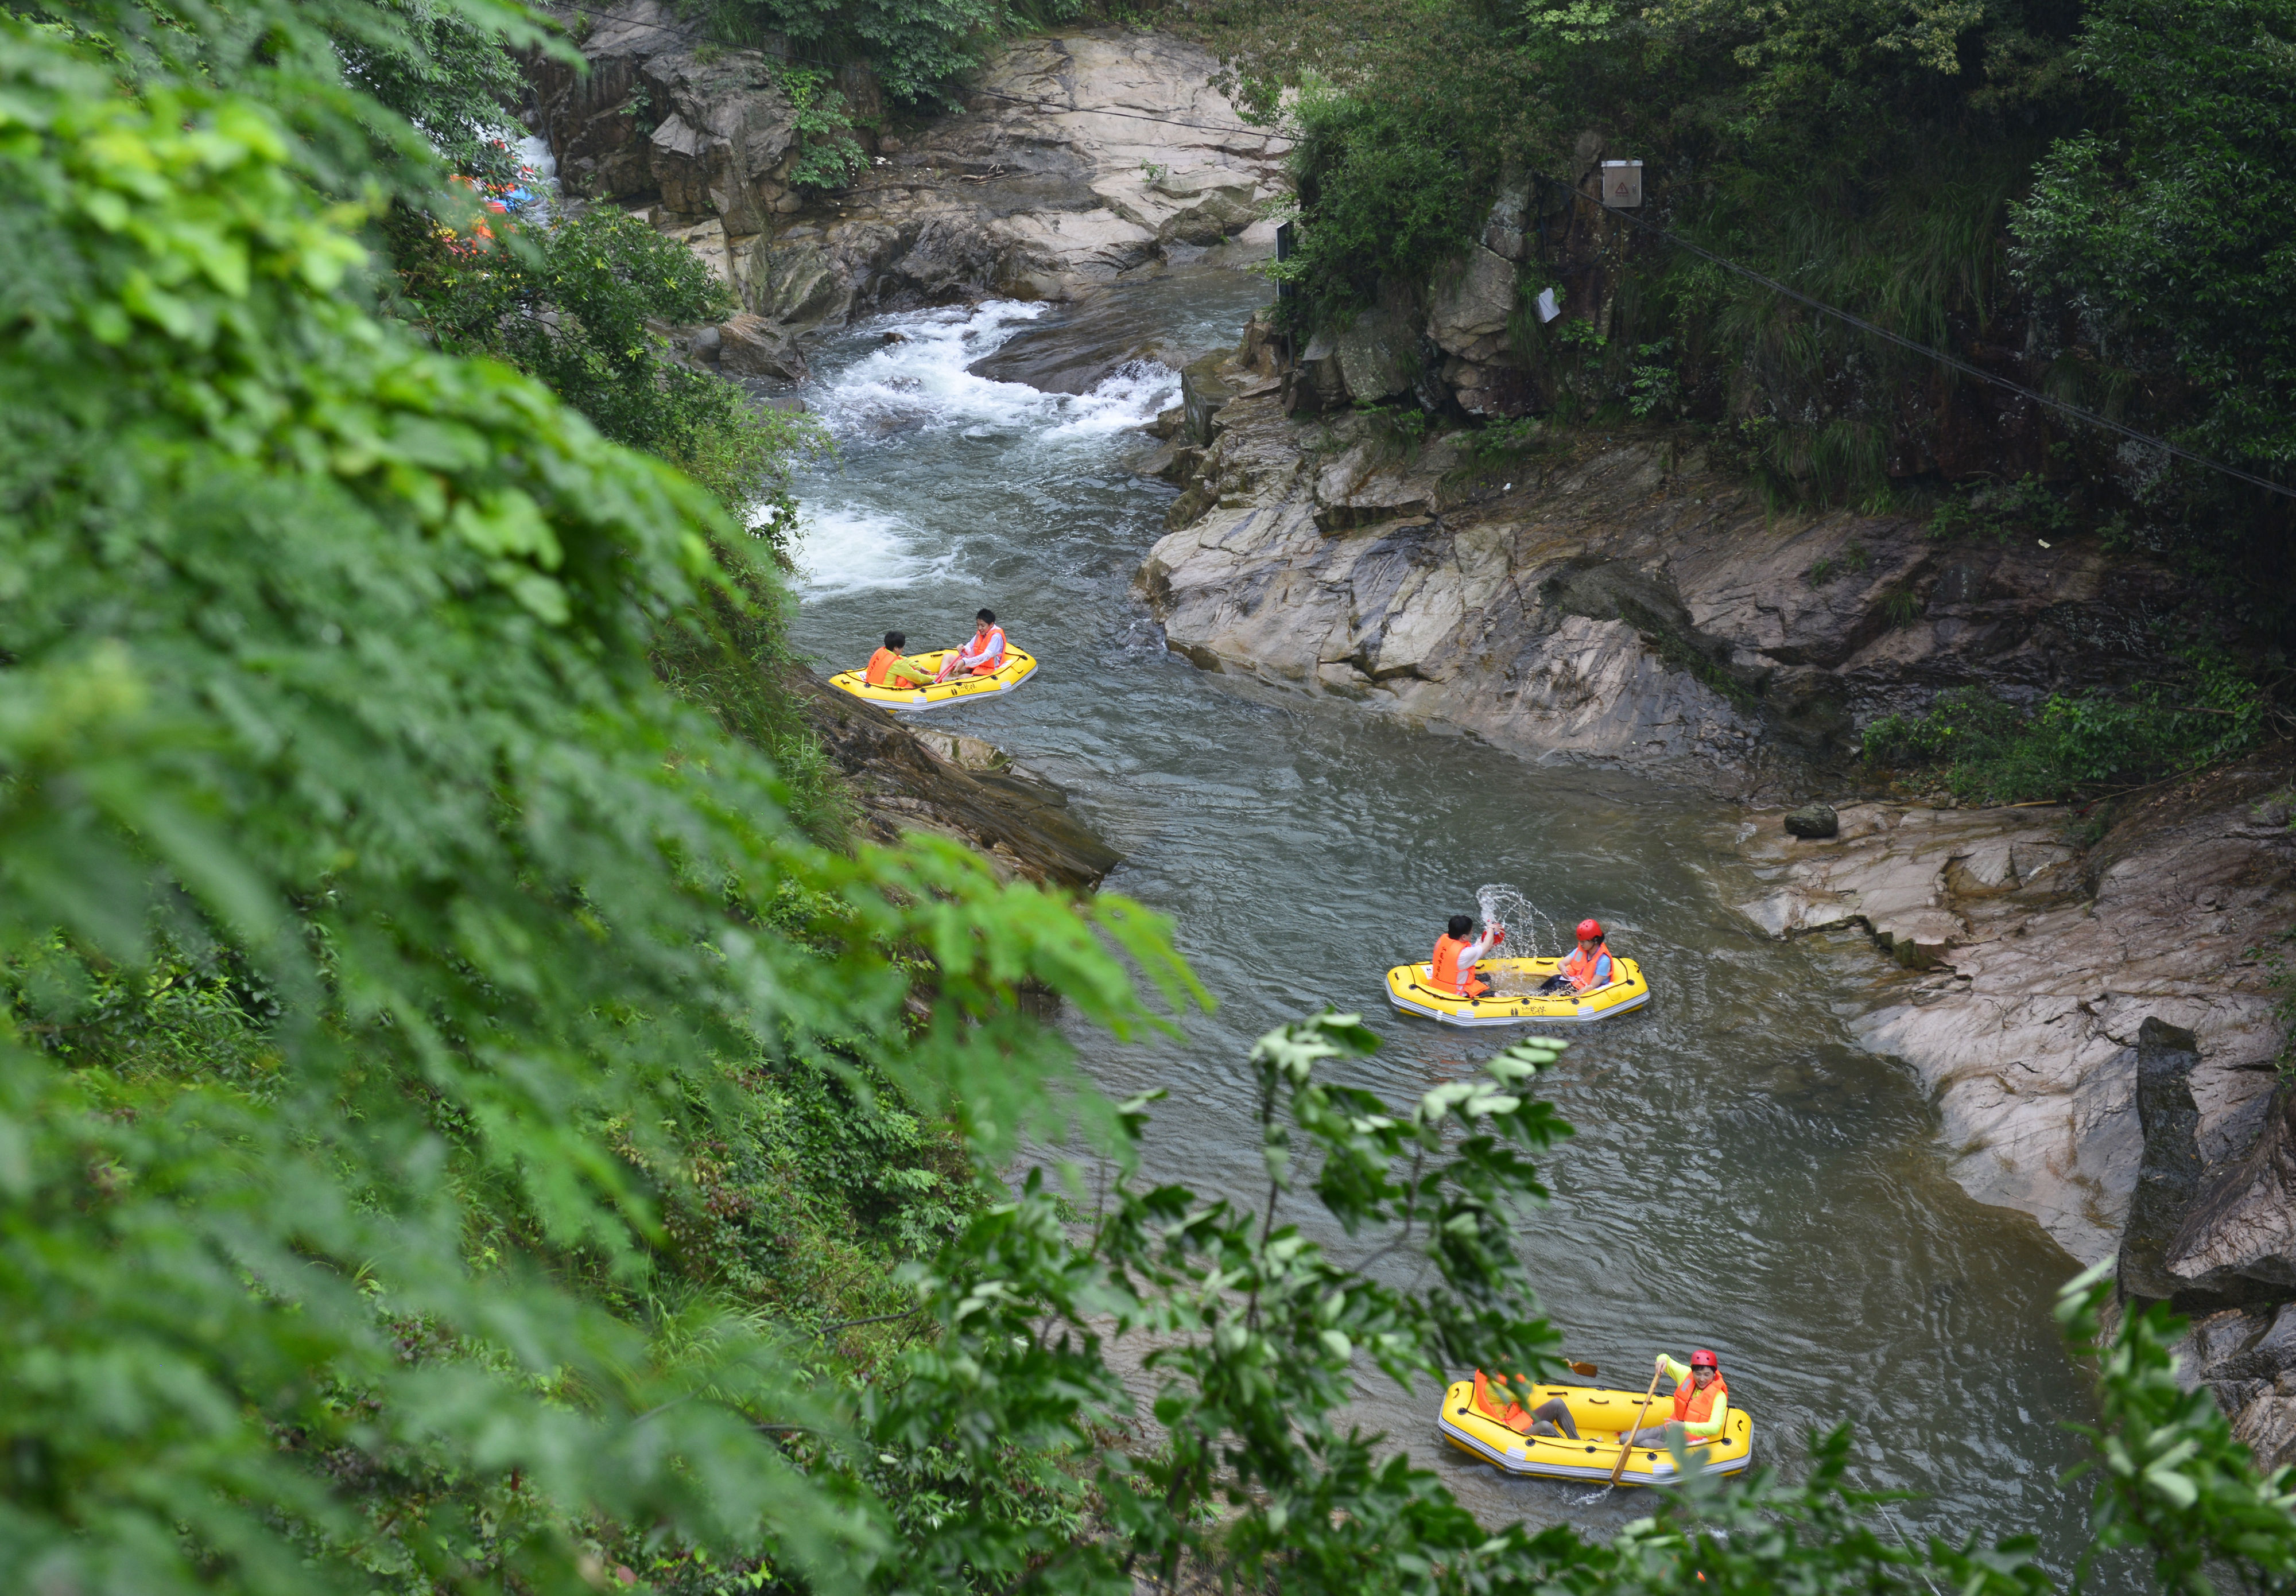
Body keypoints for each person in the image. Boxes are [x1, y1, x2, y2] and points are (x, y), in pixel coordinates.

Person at [1617, 1349, 1729, 1449]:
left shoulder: (1719, 1397)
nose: (1702, 1379)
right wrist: (1663, 1361)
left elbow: (1714, 1427)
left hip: (1687, 1441)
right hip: (1668, 1429)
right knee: (1624, 1439)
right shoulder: (1686, 1375)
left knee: (1647, 1444)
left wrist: (1684, 1426)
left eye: (1707, 1375)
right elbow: (1665, 1357)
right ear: (1692, 1371)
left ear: (1714, 1374)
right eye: (1698, 1374)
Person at [1471, 1370, 1581, 1439]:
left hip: (1519, 1419)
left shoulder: (1502, 1374)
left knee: (1557, 1403)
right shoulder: (1491, 1387)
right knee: (1545, 1426)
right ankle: (1570, 1452)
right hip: (1509, 1430)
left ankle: (1578, 1443)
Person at [1430, 913, 1505, 999]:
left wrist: (1482, 941)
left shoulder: (1443, 942)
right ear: (1464, 937)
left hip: (1438, 986)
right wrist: (1491, 928)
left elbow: (1474, 950)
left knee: (1487, 977)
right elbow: (1487, 945)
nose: (1472, 934)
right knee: (1494, 994)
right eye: (1471, 933)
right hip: (1455, 995)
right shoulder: (1464, 955)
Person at [1538, 919, 1614, 994]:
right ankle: (1534, 995)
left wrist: (1575, 996)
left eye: (1583, 941)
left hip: (1587, 986)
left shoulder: (1604, 961)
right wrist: (1563, 969)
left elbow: (1592, 986)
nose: (1581, 944)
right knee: (1554, 979)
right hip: (1577, 980)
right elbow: (1561, 964)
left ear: (1595, 941)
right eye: (1580, 941)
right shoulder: (1581, 951)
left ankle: (1541, 999)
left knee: (1558, 985)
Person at [936, 608, 1007, 682]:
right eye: (978, 625)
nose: (979, 628)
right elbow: (970, 646)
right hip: (978, 666)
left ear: (991, 624)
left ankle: (951, 681)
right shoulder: (981, 633)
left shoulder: (996, 637)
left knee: (963, 678)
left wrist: (965, 662)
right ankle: (941, 680)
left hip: (990, 671)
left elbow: (986, 656)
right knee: (948, 657)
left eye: (982, 626)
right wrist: (963, 649)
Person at [864, 630, 934, 689]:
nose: (903, 649)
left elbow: (902, 658)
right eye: (902, 647)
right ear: (896, 648)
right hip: (885, 690)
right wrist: (934, 678)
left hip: (872, 683)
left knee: (916, 672)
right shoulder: (897, 663)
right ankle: (919, 690)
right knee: (915, 678)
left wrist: (919, 667)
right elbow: (918, 678)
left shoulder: (882, 651)